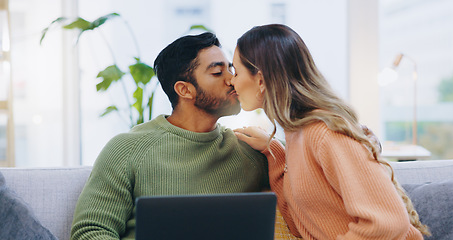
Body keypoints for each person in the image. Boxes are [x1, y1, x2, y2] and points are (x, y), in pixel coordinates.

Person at [230, 24, 430, 239]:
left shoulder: (324, 133)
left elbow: (387, 222)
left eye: (236, 71)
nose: (231, 81)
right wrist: (274, 152)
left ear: (260, 80)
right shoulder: (297, 133)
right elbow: (301, 226)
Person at [70, 32, 269, 240]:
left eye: (232, 69)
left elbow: (301, 189)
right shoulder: (127, 149)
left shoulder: (251, 149)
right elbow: (90, 231)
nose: (232, 80)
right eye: (218, 72)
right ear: (184, 90)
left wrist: (275, 147)